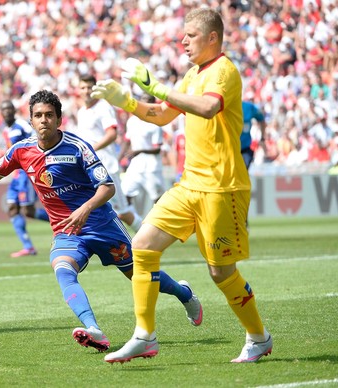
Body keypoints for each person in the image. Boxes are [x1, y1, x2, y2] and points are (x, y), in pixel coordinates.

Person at [0, 90, 202, 352]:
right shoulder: (22, 150)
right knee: (63, 269)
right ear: (31, 120)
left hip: (101, 225)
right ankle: (94, 328)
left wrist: (85, 209)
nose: (44, 120)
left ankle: (184, 293)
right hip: (67, 231)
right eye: (38, 115)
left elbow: (108, 187)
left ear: (59, 119)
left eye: (49, 115)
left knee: (138, 276)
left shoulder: (78, 147)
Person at [91, 8, 272, 363]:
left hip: (222, 189)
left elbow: (207, 108)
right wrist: (124, 100)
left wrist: (157, 86)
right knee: (142, 245)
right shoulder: (191, 75)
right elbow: (162, 115)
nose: (183, 41)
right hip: (189, 185)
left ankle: (259, 337)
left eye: (190, 35)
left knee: (221, 273)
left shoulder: (225, 71)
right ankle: (145, 335)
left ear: (212, 38)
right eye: (183, 35)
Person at [71, 74, 144, 232]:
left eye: (89, 87)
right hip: (89, 167)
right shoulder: (82, 111)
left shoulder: (103, 107)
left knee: (122, 212)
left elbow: (111, 134)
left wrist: (91, 150)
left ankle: (148, 235)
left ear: (94, 89)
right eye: (82, 87)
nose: (86, 91)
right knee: (96, 209)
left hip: (106, 165)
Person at [0, 100, 49, 258]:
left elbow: (36, 139)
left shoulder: (22, 125)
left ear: (14, 111)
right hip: (15, 175)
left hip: (26, 174)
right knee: (12, 208)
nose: (7, 112)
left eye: (9, 109)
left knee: (28, 211)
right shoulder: (6, 131)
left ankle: (65, 222)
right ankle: (28, 247)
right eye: (4, 110)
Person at [119, 93, 165, 217]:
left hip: (151, 167)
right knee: (124, 194)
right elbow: (127, 141)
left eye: (149, 101)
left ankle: (161, 225)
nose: (146, 103)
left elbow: (158, 149)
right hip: (136, 166)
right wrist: (119, 158)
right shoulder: (132, 121)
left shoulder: (156, 123)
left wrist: (140, 151)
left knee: (158, 200)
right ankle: (137, 223)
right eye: (144, 100)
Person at [241, 94, 266, 170]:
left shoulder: (249, 107)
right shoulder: (225, 107)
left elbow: (262, 119)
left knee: (243, 172)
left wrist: (262, 137)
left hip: (245, 148)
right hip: (228, 149)